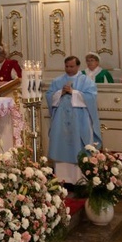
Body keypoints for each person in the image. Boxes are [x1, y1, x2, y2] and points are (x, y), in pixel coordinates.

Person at [46, 55, 102, 184]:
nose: (69, 69)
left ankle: (79, 181)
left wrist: (73, 92)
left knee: (78, 147)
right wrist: (60, 93)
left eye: (71, 66)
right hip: (61, 121)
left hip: (79, 121)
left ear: (78, 66)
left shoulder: (86, 81)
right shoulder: (57, 81)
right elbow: (49, 96)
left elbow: (91, 98)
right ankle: (62, 179)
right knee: (61, 144)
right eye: (66, 66)